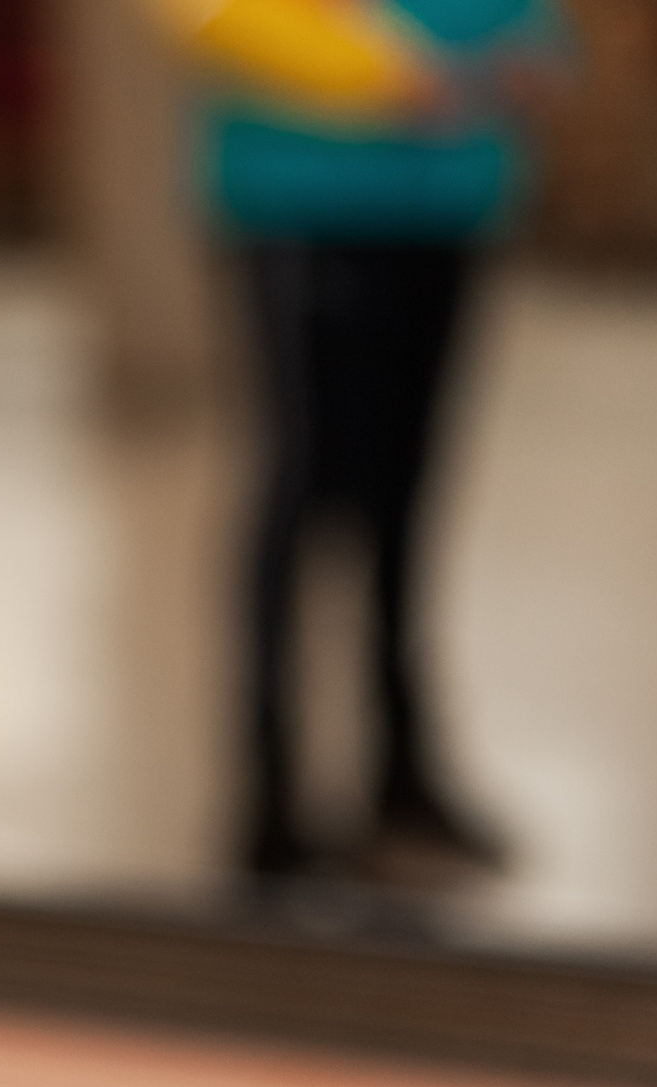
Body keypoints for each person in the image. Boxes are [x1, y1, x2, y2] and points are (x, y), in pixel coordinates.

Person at [150, 0, 565, 881]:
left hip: (451, 195)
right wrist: (391, 76)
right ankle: (268, 794)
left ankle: (400, 775)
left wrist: (539, 53)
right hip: (304, 192)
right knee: (299, 487)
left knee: (409, 494)